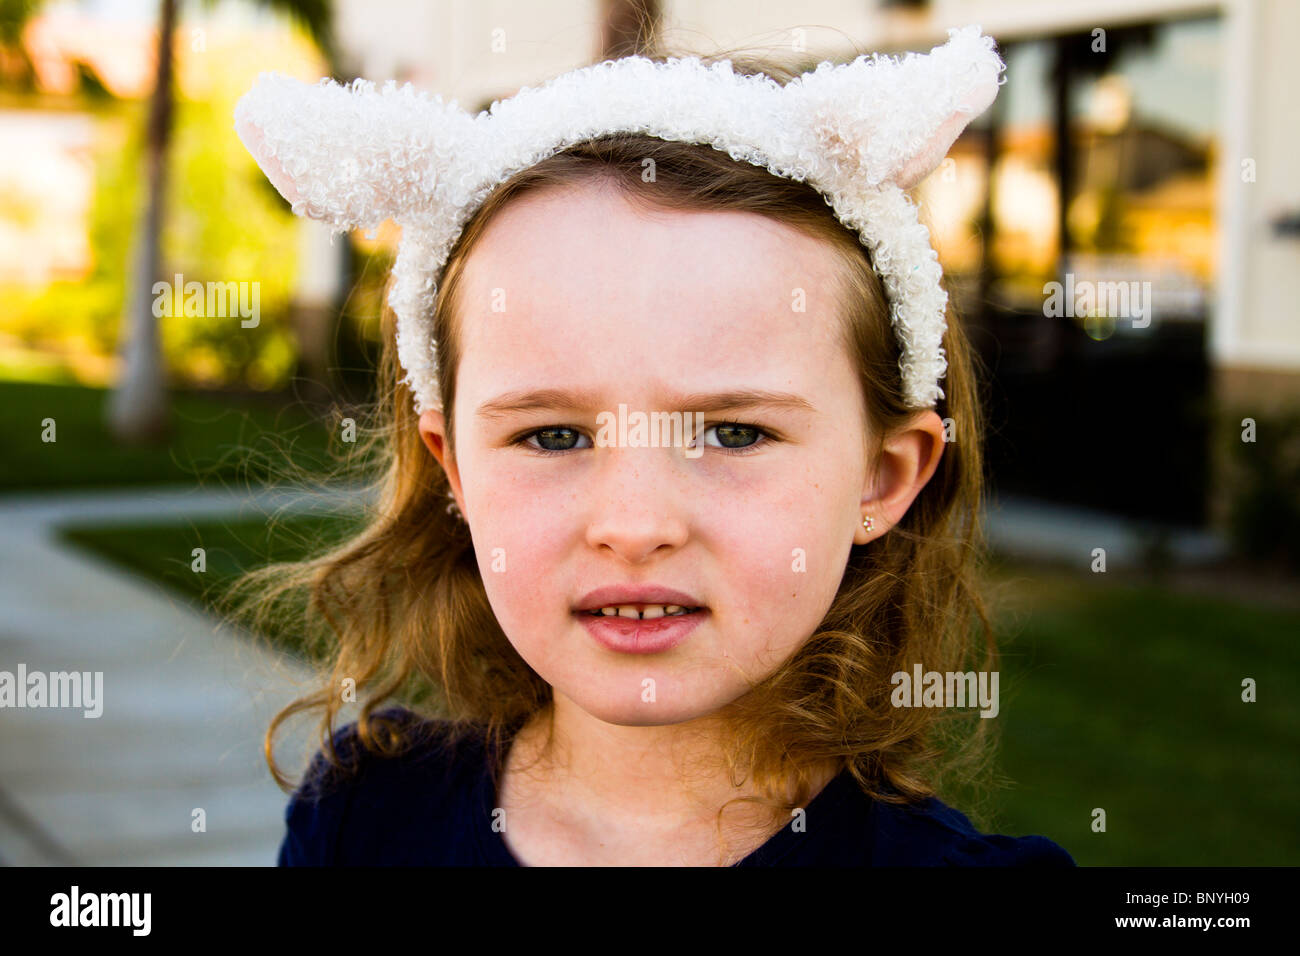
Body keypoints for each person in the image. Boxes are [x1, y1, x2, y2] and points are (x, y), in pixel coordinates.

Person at [233, 25, 1075, 867]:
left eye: (734, 432)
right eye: (553, 435)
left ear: (882, 477)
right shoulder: (362, 818)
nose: (634, 527)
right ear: (454, 470)